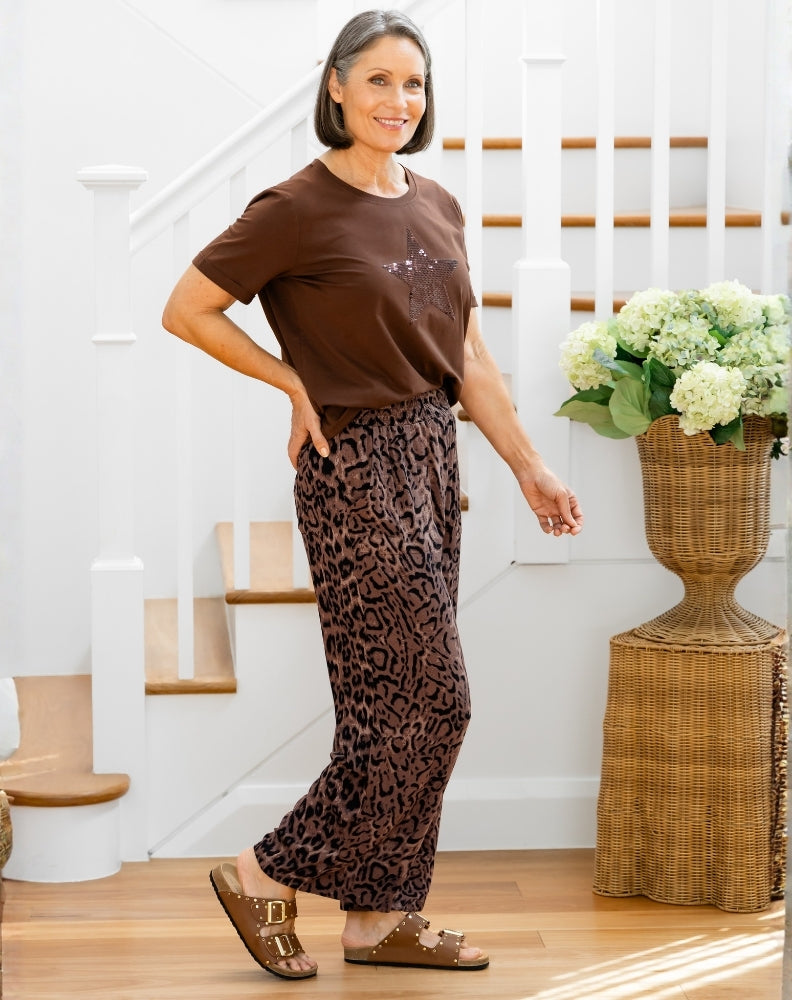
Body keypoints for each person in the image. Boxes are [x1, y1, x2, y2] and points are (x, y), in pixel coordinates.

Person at [162, 8, 583, 981]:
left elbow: (468, 356)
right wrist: (288, 379)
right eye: (381, 81)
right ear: (337, 87)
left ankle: (377, 917)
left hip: (434, 453)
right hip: (352, 462)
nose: (402, 101)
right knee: (435, 700)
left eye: (417, 85)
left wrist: (529, 466)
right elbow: (187, 307)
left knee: (384, 707)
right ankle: (262, 868)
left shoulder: (437, 204)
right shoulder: (295, 207)